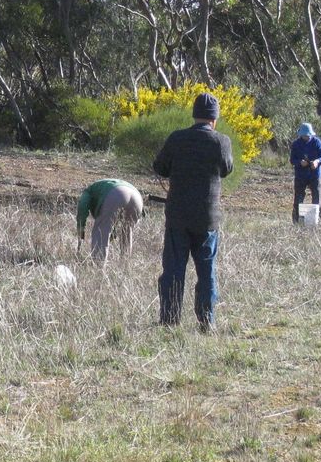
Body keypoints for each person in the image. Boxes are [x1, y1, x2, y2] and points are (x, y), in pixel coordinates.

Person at [152, 92, 234, 332]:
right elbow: (227, 169)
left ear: (194, 115)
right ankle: (206, 322)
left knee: (174, 270)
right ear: (214, 119)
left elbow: (160, 167)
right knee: (206, 271)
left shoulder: (177, 138)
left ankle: (169, 320)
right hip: (207, 219)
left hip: (178, 217)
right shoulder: (222, 142)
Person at [76, 179, 144, 262]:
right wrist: (112, 236)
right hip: (137, 197)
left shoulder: (88, 191)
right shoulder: (101, 186)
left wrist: (81, 229)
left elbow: (82, 207)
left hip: (116, 193)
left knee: (101, 231)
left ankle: (98, 267)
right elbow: (115, 226)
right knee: (126, 231)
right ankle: (125, 266)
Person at [290, 122, 321, 224]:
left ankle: (318, 220)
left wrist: (317, 162)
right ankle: (296, 221)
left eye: (308, 135)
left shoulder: (317, 142)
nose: (306, 137)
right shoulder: (295, 144)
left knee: (317, 198)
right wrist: (299, 162)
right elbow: (292, 160)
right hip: (300, 175)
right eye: (304, 135)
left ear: (311, 134)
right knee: (298, 198)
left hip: (314, 175)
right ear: (300, 134)